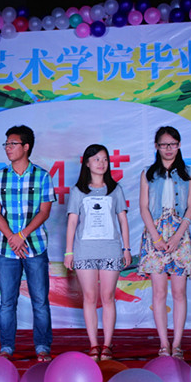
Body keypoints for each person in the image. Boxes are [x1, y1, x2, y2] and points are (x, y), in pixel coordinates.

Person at [0, 125, 56, 362]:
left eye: (13, 143)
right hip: (7, 249)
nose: (8, 148)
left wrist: (22, 235)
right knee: (7, 302)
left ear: (26, 147)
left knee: (40, 301)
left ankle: (42, 347)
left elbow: (44, 211)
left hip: (35, 246)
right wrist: (12, 237)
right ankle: (6, 347)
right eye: (6, 144)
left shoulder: (42, 176)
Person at [63, 144, 132, 361]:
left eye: (104, 159)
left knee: (108, 297)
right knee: (90, 297)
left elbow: (123, 220)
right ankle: (94, 345)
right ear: (87, 163)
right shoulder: (78, 191)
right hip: (84, 251)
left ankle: (107, 345)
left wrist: (126, 248)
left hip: (111, 250)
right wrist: (68, 252)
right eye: (96, 159)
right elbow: (72, 222)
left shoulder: (115, 190)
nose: (101, 163)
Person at [138, 126, 191, 360]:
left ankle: (178, 344)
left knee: (180, 292)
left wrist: (177, 236)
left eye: (172, 144)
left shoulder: (188, 173)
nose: (168, 149)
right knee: (159, 292)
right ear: (156, 147)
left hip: (179, 233)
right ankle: (164, 344)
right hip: (155, 234)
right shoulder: (147, 173)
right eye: (164, 145)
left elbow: (190, 207)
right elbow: (143, 208)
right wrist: (156, 237)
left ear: (179, 145)